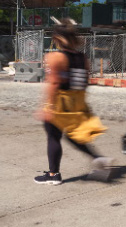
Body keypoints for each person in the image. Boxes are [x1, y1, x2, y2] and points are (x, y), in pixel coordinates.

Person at [34, 18, 112, 185]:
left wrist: (47, 106)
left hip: (60, 102)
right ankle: (99, 159)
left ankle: (53, 174)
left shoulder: (55, 57)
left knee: (53, 136)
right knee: (72, 135)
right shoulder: (83, 58)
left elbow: (53, 83)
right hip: (77, 100)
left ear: (57, 38)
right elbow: (85, 80)